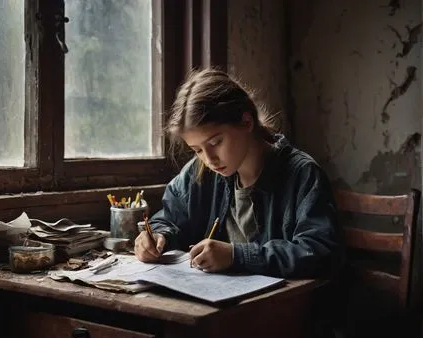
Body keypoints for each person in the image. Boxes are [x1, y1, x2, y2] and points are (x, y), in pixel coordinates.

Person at [134, 68, 344, 279]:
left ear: (246, 122)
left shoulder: (303, 174)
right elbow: (168, 219)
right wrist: (157, 236)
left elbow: (320, 252)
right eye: (197, 150)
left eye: (216, 142)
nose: (208, 159)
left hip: (285, 304)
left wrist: (237, 256)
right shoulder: (199, 173)